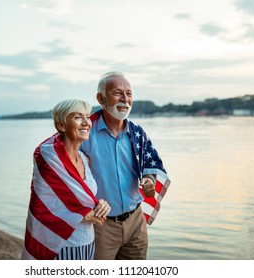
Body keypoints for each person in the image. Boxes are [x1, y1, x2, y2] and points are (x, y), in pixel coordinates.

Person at [80, 71, 171, 260]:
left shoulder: (137, 133)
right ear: (101, 98)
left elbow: (149, 163)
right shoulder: (84, 133)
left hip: (136, 221)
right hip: (101, 224)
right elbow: (65, 172)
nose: (125, 99)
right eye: (117, 93)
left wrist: (148, 179)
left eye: (129, 94)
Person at [22, 99, 111, 260]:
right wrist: (83, 214)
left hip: (87, 241)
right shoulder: (48, 159)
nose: (86, 123)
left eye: (87, 116)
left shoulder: (84, 158)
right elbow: (43, 205)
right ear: (61, 125)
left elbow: (82, 197)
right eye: (78, 117)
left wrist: (101, 205)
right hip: (60, 244)